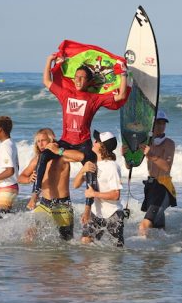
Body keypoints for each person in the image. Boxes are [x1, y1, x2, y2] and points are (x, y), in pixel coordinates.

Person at [30, 53, 128, 224]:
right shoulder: (66, 94)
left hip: (83, 143)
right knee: (44, 155)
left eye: (82, 78)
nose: (78, 80)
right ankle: (34, 195)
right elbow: (47, 81)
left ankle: (88, 210)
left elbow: (120, 97)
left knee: (90, 166)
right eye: (76, 77)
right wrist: (48, 61)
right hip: (66, 140)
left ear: (89, 81)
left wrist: (123, 74)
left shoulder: (94, 98)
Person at [19, 128, 82, 241]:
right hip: (44, 204)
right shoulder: (37, 159)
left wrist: (59, 151)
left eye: (43, 140)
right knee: (28, 234)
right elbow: (20, 177)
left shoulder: (62, 158)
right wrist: (28, 179)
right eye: (38, 141)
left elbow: (81, 156)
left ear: (51, 140)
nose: (40, 144)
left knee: (66, 242)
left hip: (62, 205)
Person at [74, 131, 125, 247]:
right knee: (85, 242)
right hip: (96, 213)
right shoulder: (92, 164)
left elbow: (116, 195)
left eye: (97, 141)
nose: (94, 142)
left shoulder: (112, 166)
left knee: (116, 250)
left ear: (102, 146)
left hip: (113, 214)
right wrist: (83, 170)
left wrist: (94, 194)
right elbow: (75, 185)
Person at [138, 110, 177, 236]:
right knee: (159, 230)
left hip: (163, 187)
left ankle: (139, 253)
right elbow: (130, 165)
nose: (161, 126)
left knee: (144, 225)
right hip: (150, 187)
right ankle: (162, 254)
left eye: (163, 123)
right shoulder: (147, 143)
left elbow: (166, 167)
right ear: (152, 124)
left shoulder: (169, 143)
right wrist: (127, 156)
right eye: (158, 123)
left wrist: (152, 155)